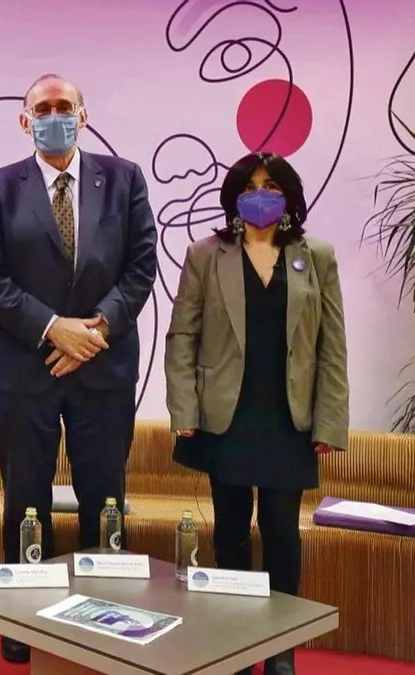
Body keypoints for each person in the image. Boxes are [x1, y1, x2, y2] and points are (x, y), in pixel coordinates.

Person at [0, 73, 158, 664]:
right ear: (25, 121)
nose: (55, 116)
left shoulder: (124, 179)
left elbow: (141, 267)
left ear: (84, 114)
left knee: (105, 496)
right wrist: (55, 329)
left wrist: (93, 331)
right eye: (43, 108)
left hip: (103, 367)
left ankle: (109, 617)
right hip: (25, 371)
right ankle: (26, 618)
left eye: (65, 106)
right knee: (26, 497)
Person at [164, 152, 348, 675]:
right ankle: (238, 646)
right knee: (230, 530)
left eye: (271, 185)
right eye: (250, 186)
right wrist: (184, 409)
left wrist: (330, 421)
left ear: (289, 196)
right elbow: (182, 337)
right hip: (226, 417)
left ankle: (281, 648)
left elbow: (332, 346)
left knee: (282, 531)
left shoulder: (316, 256)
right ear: (234, 197)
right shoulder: (206, 255)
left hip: (290, 418)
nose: (260, 194)